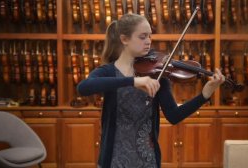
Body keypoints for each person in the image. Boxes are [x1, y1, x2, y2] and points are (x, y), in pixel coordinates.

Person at [77, 13, 225, 168]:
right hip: (113, 161)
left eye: (149, 36)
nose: (148, 41)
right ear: (124, 39)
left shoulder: (156, 74)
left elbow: (174, 116)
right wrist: (133, 81)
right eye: (142, 37)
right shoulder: (108, 71)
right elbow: (84, 87)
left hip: (148, 161)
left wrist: (204, 95)